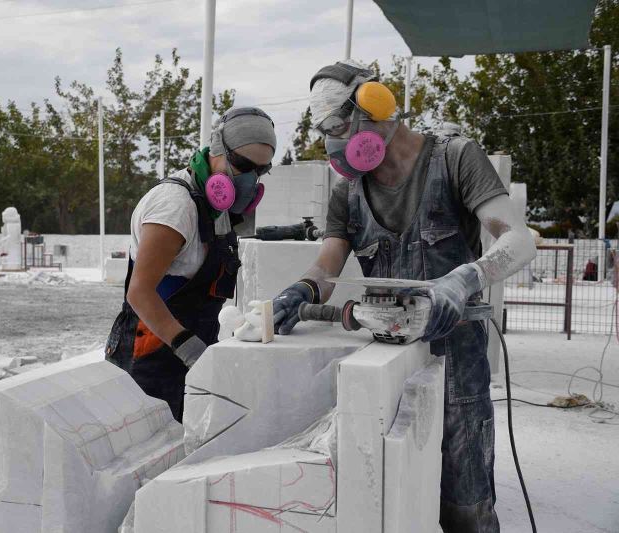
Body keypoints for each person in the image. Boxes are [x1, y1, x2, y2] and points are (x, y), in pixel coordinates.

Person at [271, 61, 536, 533]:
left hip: (457, 362)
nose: (333, 143)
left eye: (337, 128)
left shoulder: (455, 159)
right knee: (391, 502)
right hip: (388, 364)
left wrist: (464, 279)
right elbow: (327, 265)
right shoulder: (349, 191)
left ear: (374, 109)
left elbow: (518, 240)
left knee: (466, 506)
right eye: (325, 131)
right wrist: (302, 290)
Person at [105, 107, 276, 422]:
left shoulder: (215, 210)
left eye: (261, 171)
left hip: (188, 358)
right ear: (217, 152)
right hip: (149, 361)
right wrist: (190, 349)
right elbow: (139, 292)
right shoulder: (175, 206)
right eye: (243, 166)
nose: (251, 180)